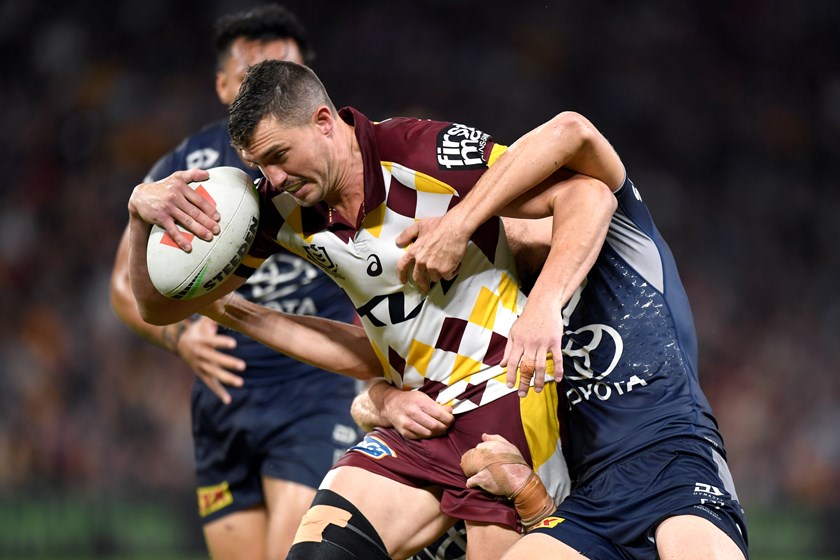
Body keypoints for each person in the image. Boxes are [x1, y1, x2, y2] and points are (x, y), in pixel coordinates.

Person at [124, 60, 619, 559]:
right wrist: (140, 216)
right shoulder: (279, 206)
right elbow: (158, 309)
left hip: (506, 404)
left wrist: (540, 301)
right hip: (417, 419)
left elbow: (586, 190)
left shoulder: (421, 152)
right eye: (260, 165)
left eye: (279, 155)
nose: (273, 177)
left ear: (322, 121)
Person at [392, 105, 750, 559]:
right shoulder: (497, 294)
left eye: (519, 208)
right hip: (589, 497)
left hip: (676, 462)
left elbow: (572, 130)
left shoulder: (624, 232)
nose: (505, 228)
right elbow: (379, 358)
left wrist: (460, 222)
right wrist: (386, 399)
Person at [109, 7, 361, 560]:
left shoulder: (335, 164)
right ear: (225, 86)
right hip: (224, 392)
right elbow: (125, 290)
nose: (268, 79)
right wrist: (180, 338)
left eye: (283, 66)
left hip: (314, 383)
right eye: (252, 70)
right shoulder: (185, 171)